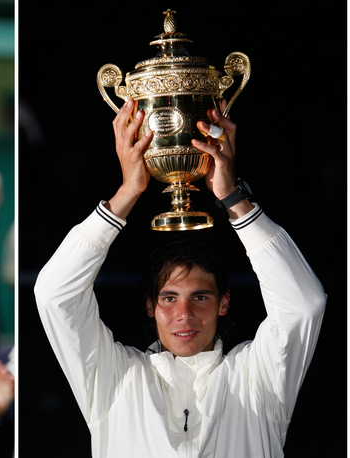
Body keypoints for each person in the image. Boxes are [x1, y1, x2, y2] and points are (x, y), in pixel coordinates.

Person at [34, 99, 325, 457]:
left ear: (224, 302)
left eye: (200, 297)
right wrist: (128, 192)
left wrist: (233, 198)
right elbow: (53, 295)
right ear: (150, 306)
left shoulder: (257, 378)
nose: (184, 314)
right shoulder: (113, 378)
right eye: (169, 298)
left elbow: (305, 305)